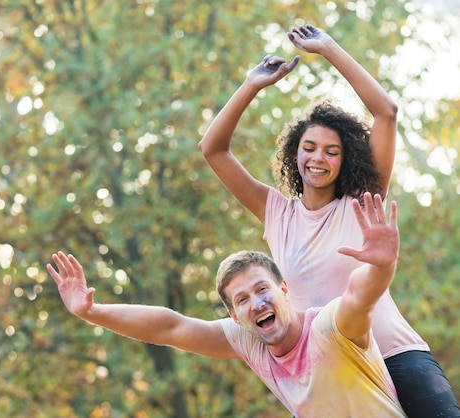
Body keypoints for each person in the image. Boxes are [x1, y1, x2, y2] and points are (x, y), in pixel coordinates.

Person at [198, 23, 459, 416]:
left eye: (332, 151)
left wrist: (328, 47)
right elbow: (213, 150)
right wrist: (251, 85)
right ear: (294, 153)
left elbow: (386, 112)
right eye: (309, 148)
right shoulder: (276, 211)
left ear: (346, 159)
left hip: (395, 356)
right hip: (331, 374)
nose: (318, 158)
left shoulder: (362, 199)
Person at [48, 193, 407, 417]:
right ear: (235, 316)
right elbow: (169, 327)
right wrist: (91, 312)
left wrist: (382, 264)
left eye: (262, 289)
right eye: (243, 300)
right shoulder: (250, 341)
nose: (257, 303)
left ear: (284, 289)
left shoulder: (329, 328)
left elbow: (359, 296)